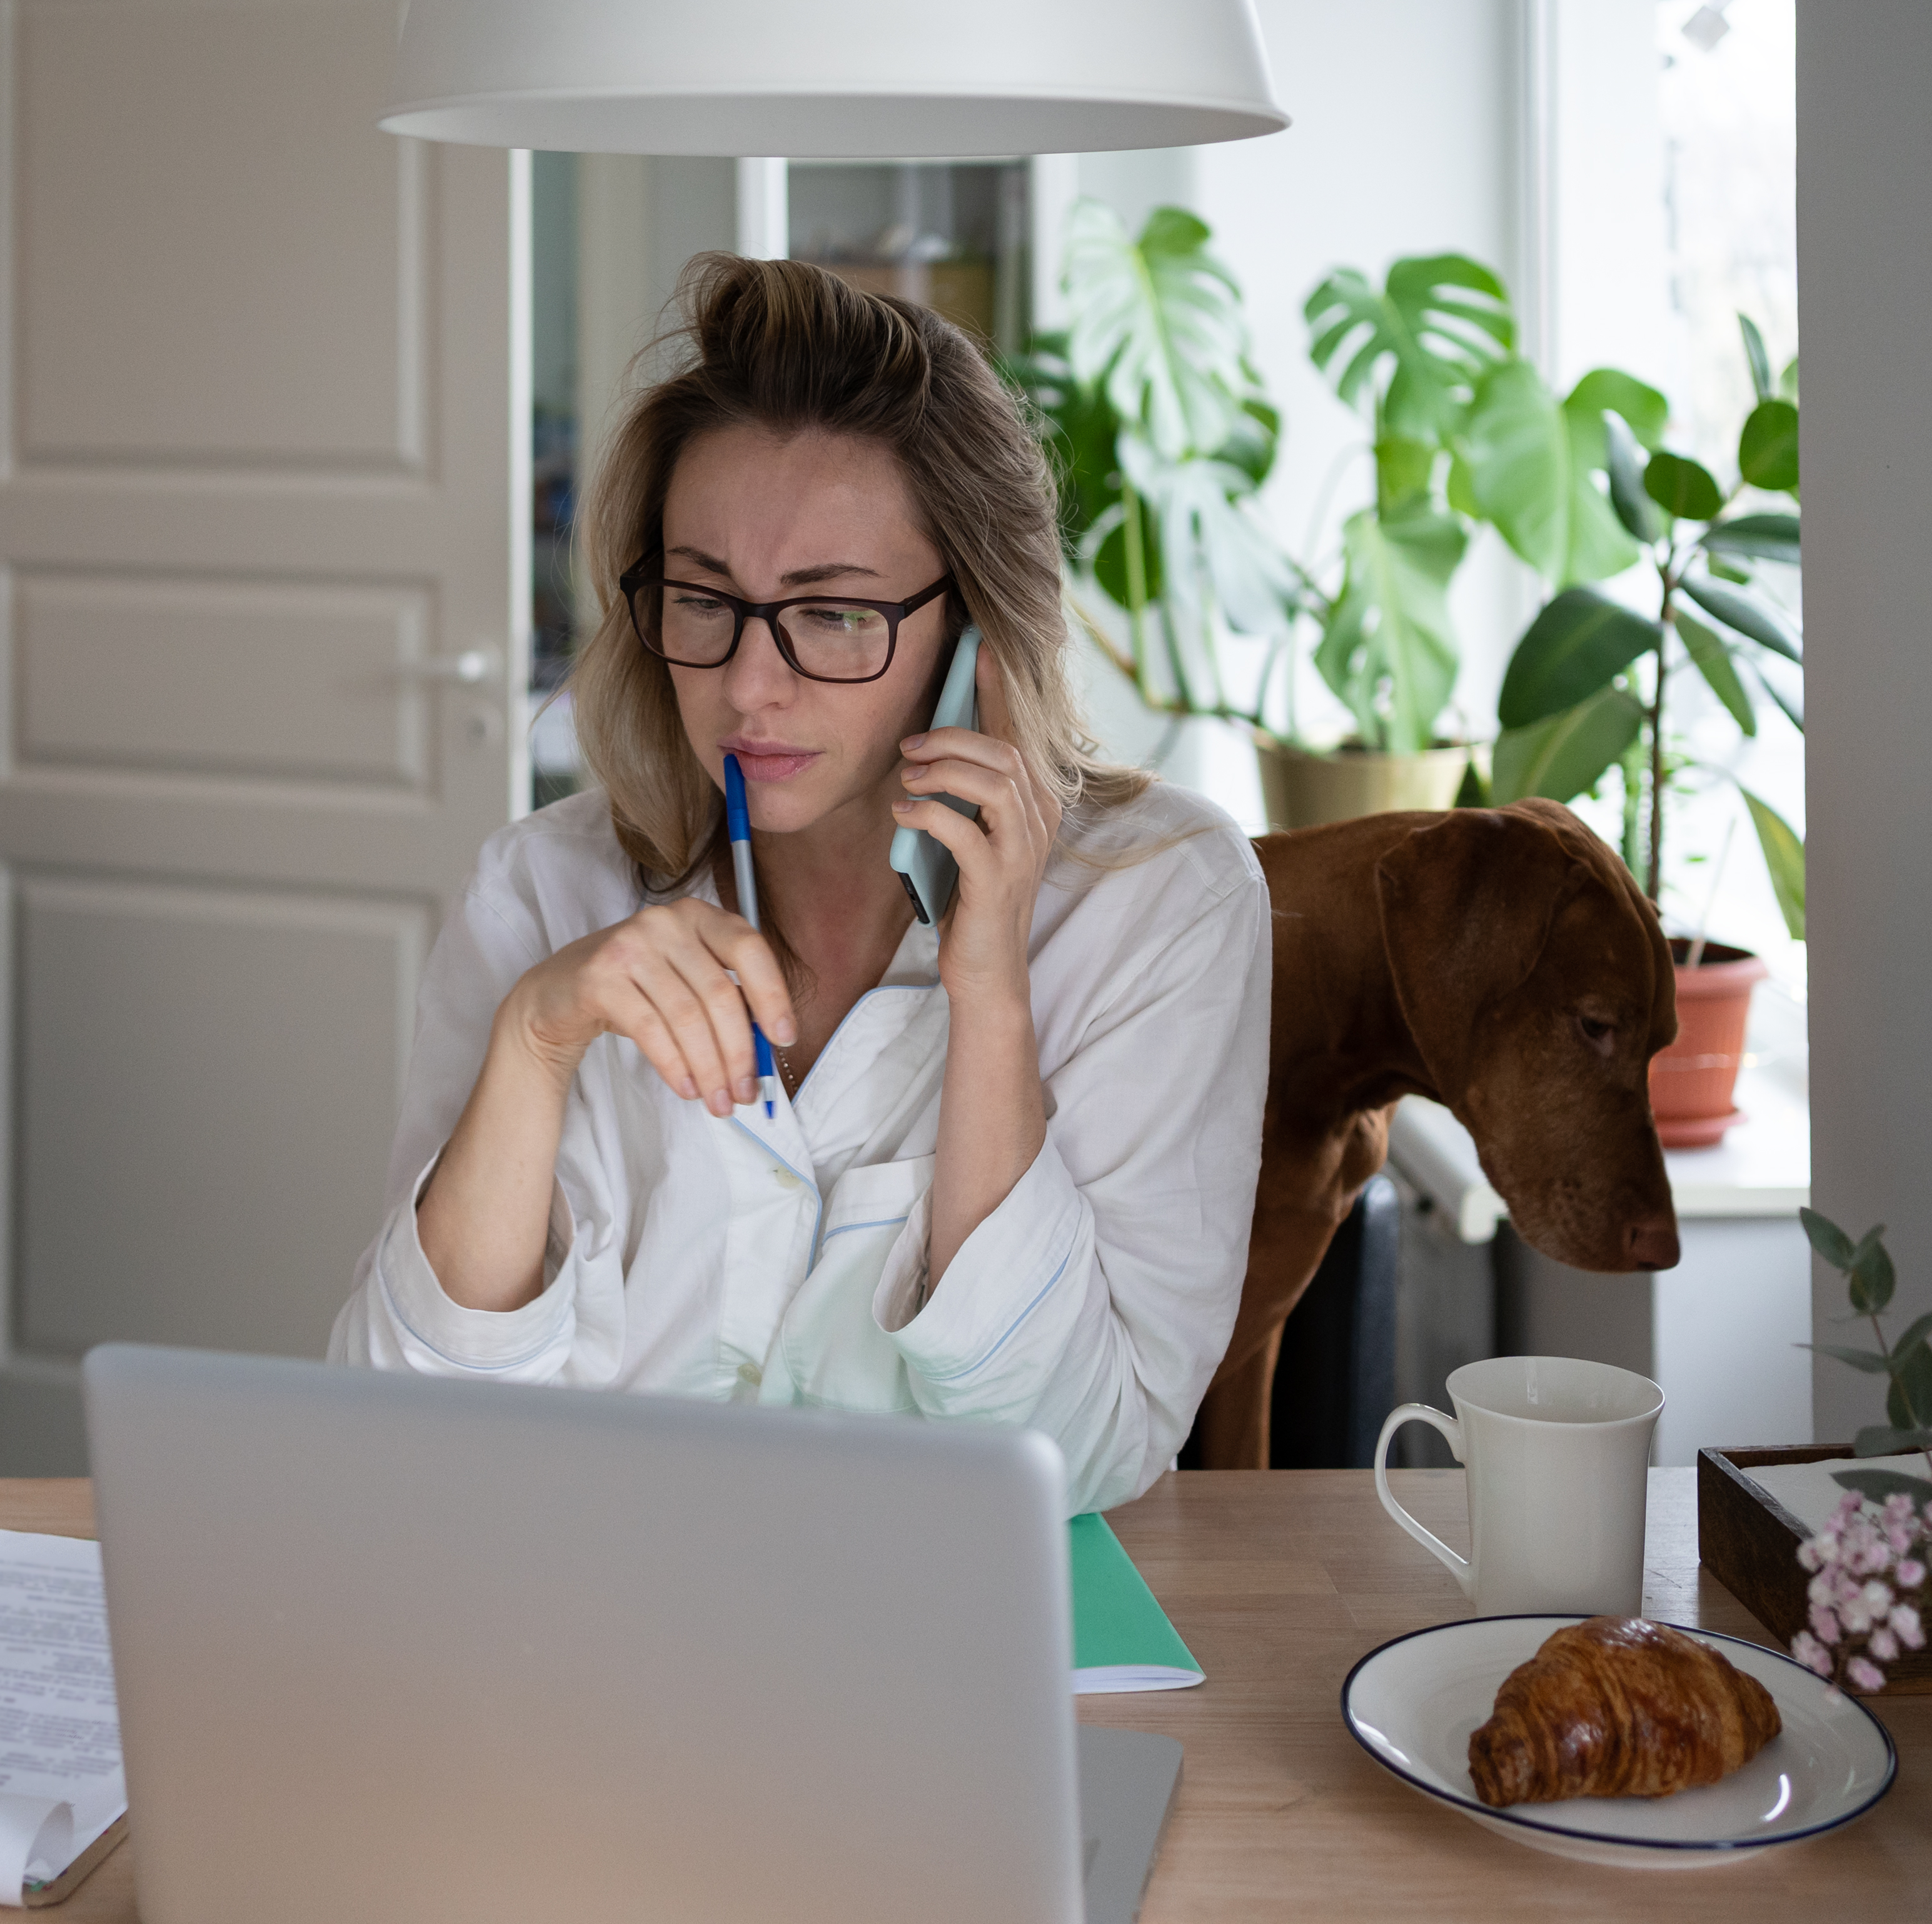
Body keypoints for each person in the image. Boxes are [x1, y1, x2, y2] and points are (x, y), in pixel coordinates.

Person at [327, 255, 1269, 1512]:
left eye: (831, 615)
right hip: (573, 1637)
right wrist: (537, 1040)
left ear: (977, 629)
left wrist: (989, 1003)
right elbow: (399, 1426)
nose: (748, 687)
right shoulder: (541, 890)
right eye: (703, 596)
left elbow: (1082, 1457)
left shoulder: (1161, 904)